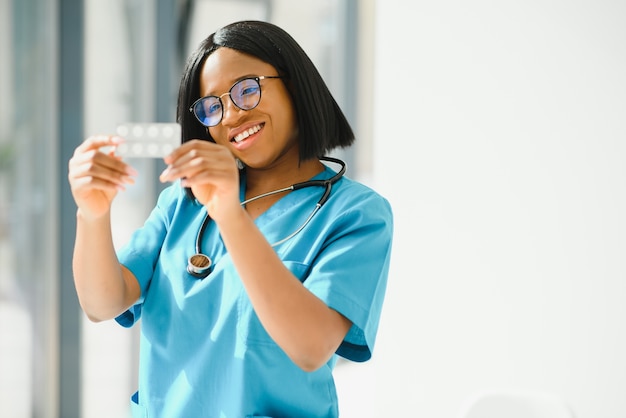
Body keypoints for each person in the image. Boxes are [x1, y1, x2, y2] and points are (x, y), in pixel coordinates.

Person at [68, 20, 393, 418]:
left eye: (247, 89)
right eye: (212, 106)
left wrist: (228, 213)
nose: (231, 116)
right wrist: (93, 211)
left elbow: (311, 347)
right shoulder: (182, 204)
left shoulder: (356, 215)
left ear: (294, 83)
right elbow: (102, 303)